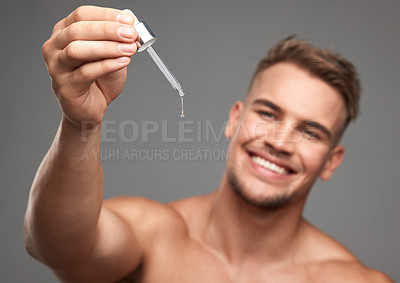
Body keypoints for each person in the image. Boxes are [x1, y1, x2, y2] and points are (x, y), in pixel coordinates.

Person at [24, 5, 393, 283]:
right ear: (235, 119)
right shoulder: (154, 236)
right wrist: (81, 124)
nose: (280, 142)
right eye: (267, 114)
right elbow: (57, 246)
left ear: (332, 161)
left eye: (310, 132)